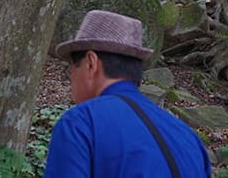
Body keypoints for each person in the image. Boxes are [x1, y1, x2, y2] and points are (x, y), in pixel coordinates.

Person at [45, 10, 212, 177]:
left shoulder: (81, 123)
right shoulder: (188, 137)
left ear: (91, 63)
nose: (71, 80)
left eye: (72, 69)